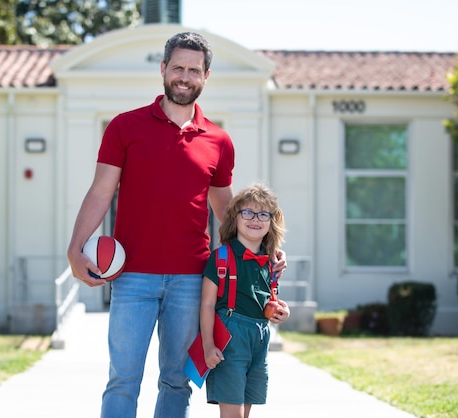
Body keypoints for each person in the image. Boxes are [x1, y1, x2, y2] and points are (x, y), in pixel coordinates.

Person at [66, 32, 287, 418]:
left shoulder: (219, 141)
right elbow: (101, 191)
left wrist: (261, 253)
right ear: (163, 69)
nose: (185, 76)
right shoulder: (124, 127)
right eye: (178, 68)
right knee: (123, 377)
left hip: (192, 279)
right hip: (132, 276)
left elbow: (225, 208)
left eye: (194, 70)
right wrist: (75, 248)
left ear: (206, 76)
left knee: (176, 379)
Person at [200, 183, 290, 418]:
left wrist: (281, 312)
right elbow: (207, 304)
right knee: (233, 414)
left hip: (259, 338)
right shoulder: (220, 257)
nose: (255, 219)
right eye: (248, 213)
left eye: (263, 214)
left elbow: (270, 301)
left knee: (246, 411)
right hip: (230, 339)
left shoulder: (271, 263)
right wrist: (208, 345)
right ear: (235, 218)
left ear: (272, 222)